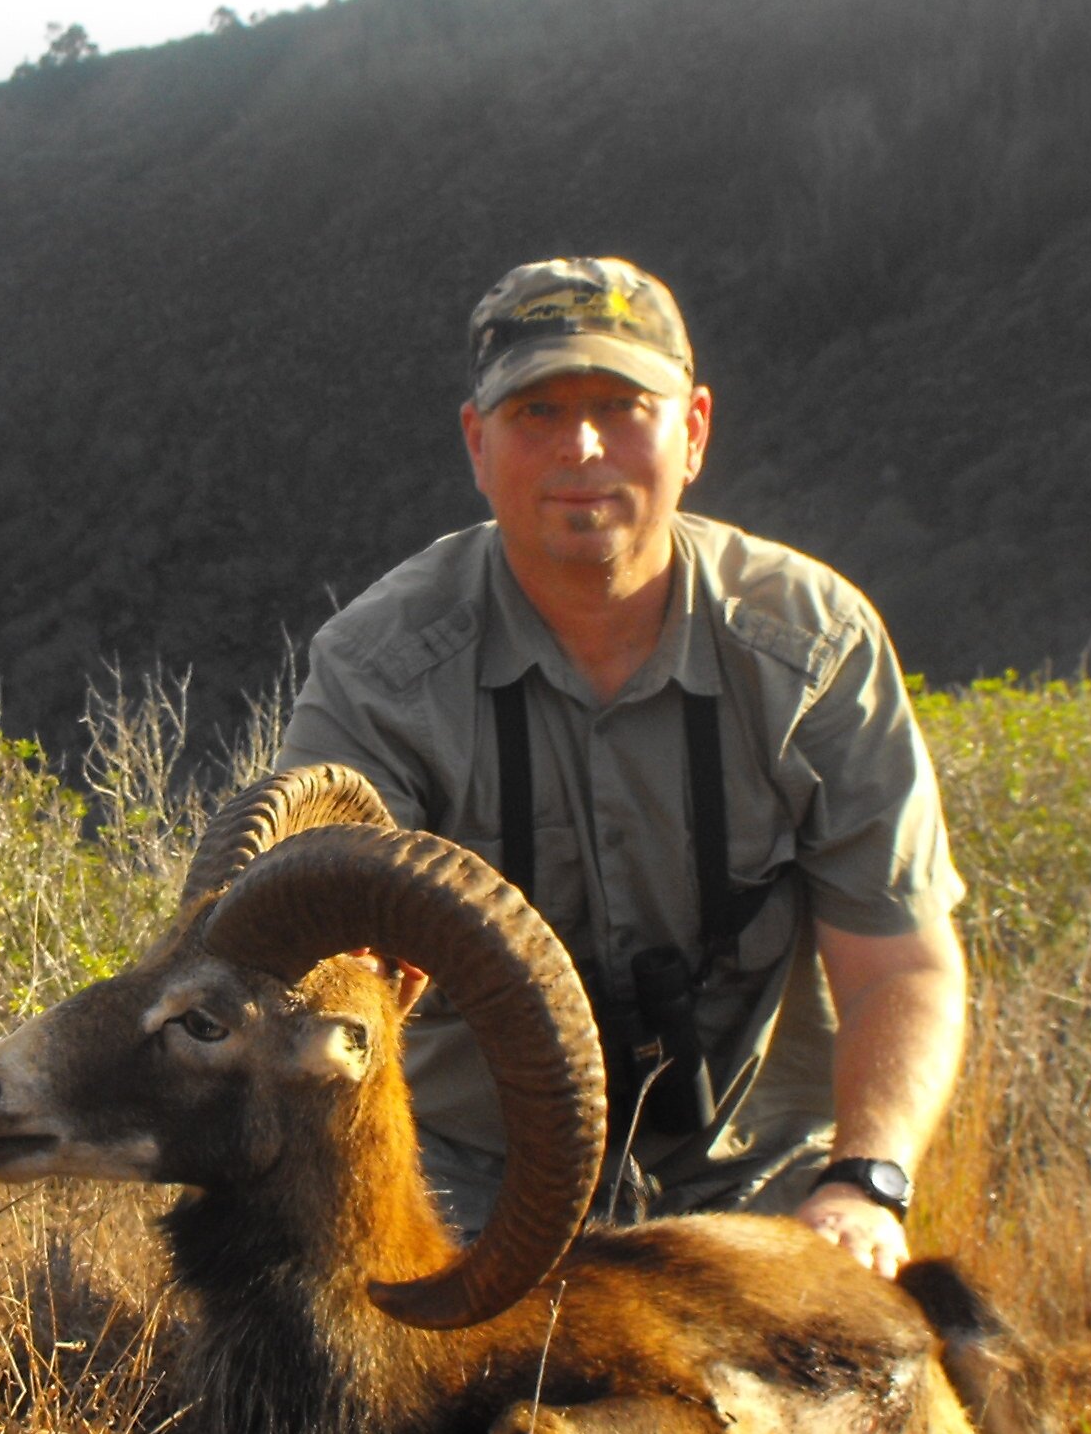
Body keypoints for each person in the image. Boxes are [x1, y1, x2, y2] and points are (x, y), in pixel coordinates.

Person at [275, 256, 965, 1276]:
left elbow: (899, 966)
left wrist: (864, 1186)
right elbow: (315, 979)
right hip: (463, 1177)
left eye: (621, 406)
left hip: (758, 1178)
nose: (581, 449)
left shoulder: (815, 648)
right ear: (478, 442)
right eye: (538, 411)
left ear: (691, 430)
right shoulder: (377, 669)